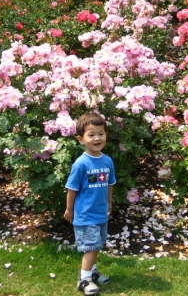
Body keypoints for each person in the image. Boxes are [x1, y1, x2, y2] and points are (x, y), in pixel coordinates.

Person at [64, 112, 116, 296]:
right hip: (86, 215)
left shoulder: (107, 161)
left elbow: (110, 184)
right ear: (81, 139)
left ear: (106, 135)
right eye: (91, 135)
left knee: (97, 245)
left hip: (101, 212)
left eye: (100, 134)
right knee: (91, 247)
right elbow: (72, 188)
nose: (97, 138)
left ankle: (92, 274)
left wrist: (109, 202)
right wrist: (69, 209)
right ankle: (84, 280)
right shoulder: (81, 164)